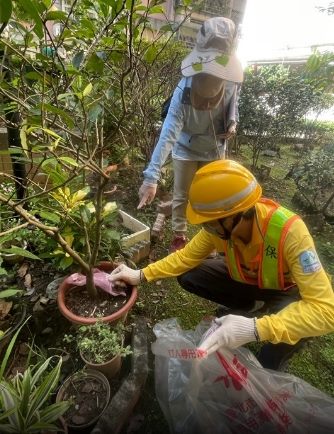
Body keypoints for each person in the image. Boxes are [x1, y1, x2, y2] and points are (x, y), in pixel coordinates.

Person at [110, 159, 334, 370]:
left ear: (235, 216)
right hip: (247, 281)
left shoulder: (290, 233)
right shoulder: (219, 228)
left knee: (271, 354)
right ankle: (246, 309)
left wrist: (257, 329)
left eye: (209, 224)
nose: (206, 229)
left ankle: (271, 359)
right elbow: (185, 257)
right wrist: (140, 275)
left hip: (284, 292)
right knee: (190, 273)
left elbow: (326, 311)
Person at [137, 16, 243, 252]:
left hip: (215, 147)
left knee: (214, 196)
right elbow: (168, 134)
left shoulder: (230, 84)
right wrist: (151, 177)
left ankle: (212, 237)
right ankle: (179, 234)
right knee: (181, 194)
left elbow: (233, 105)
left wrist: (232, 123)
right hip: (185, 147)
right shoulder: (183, 90)